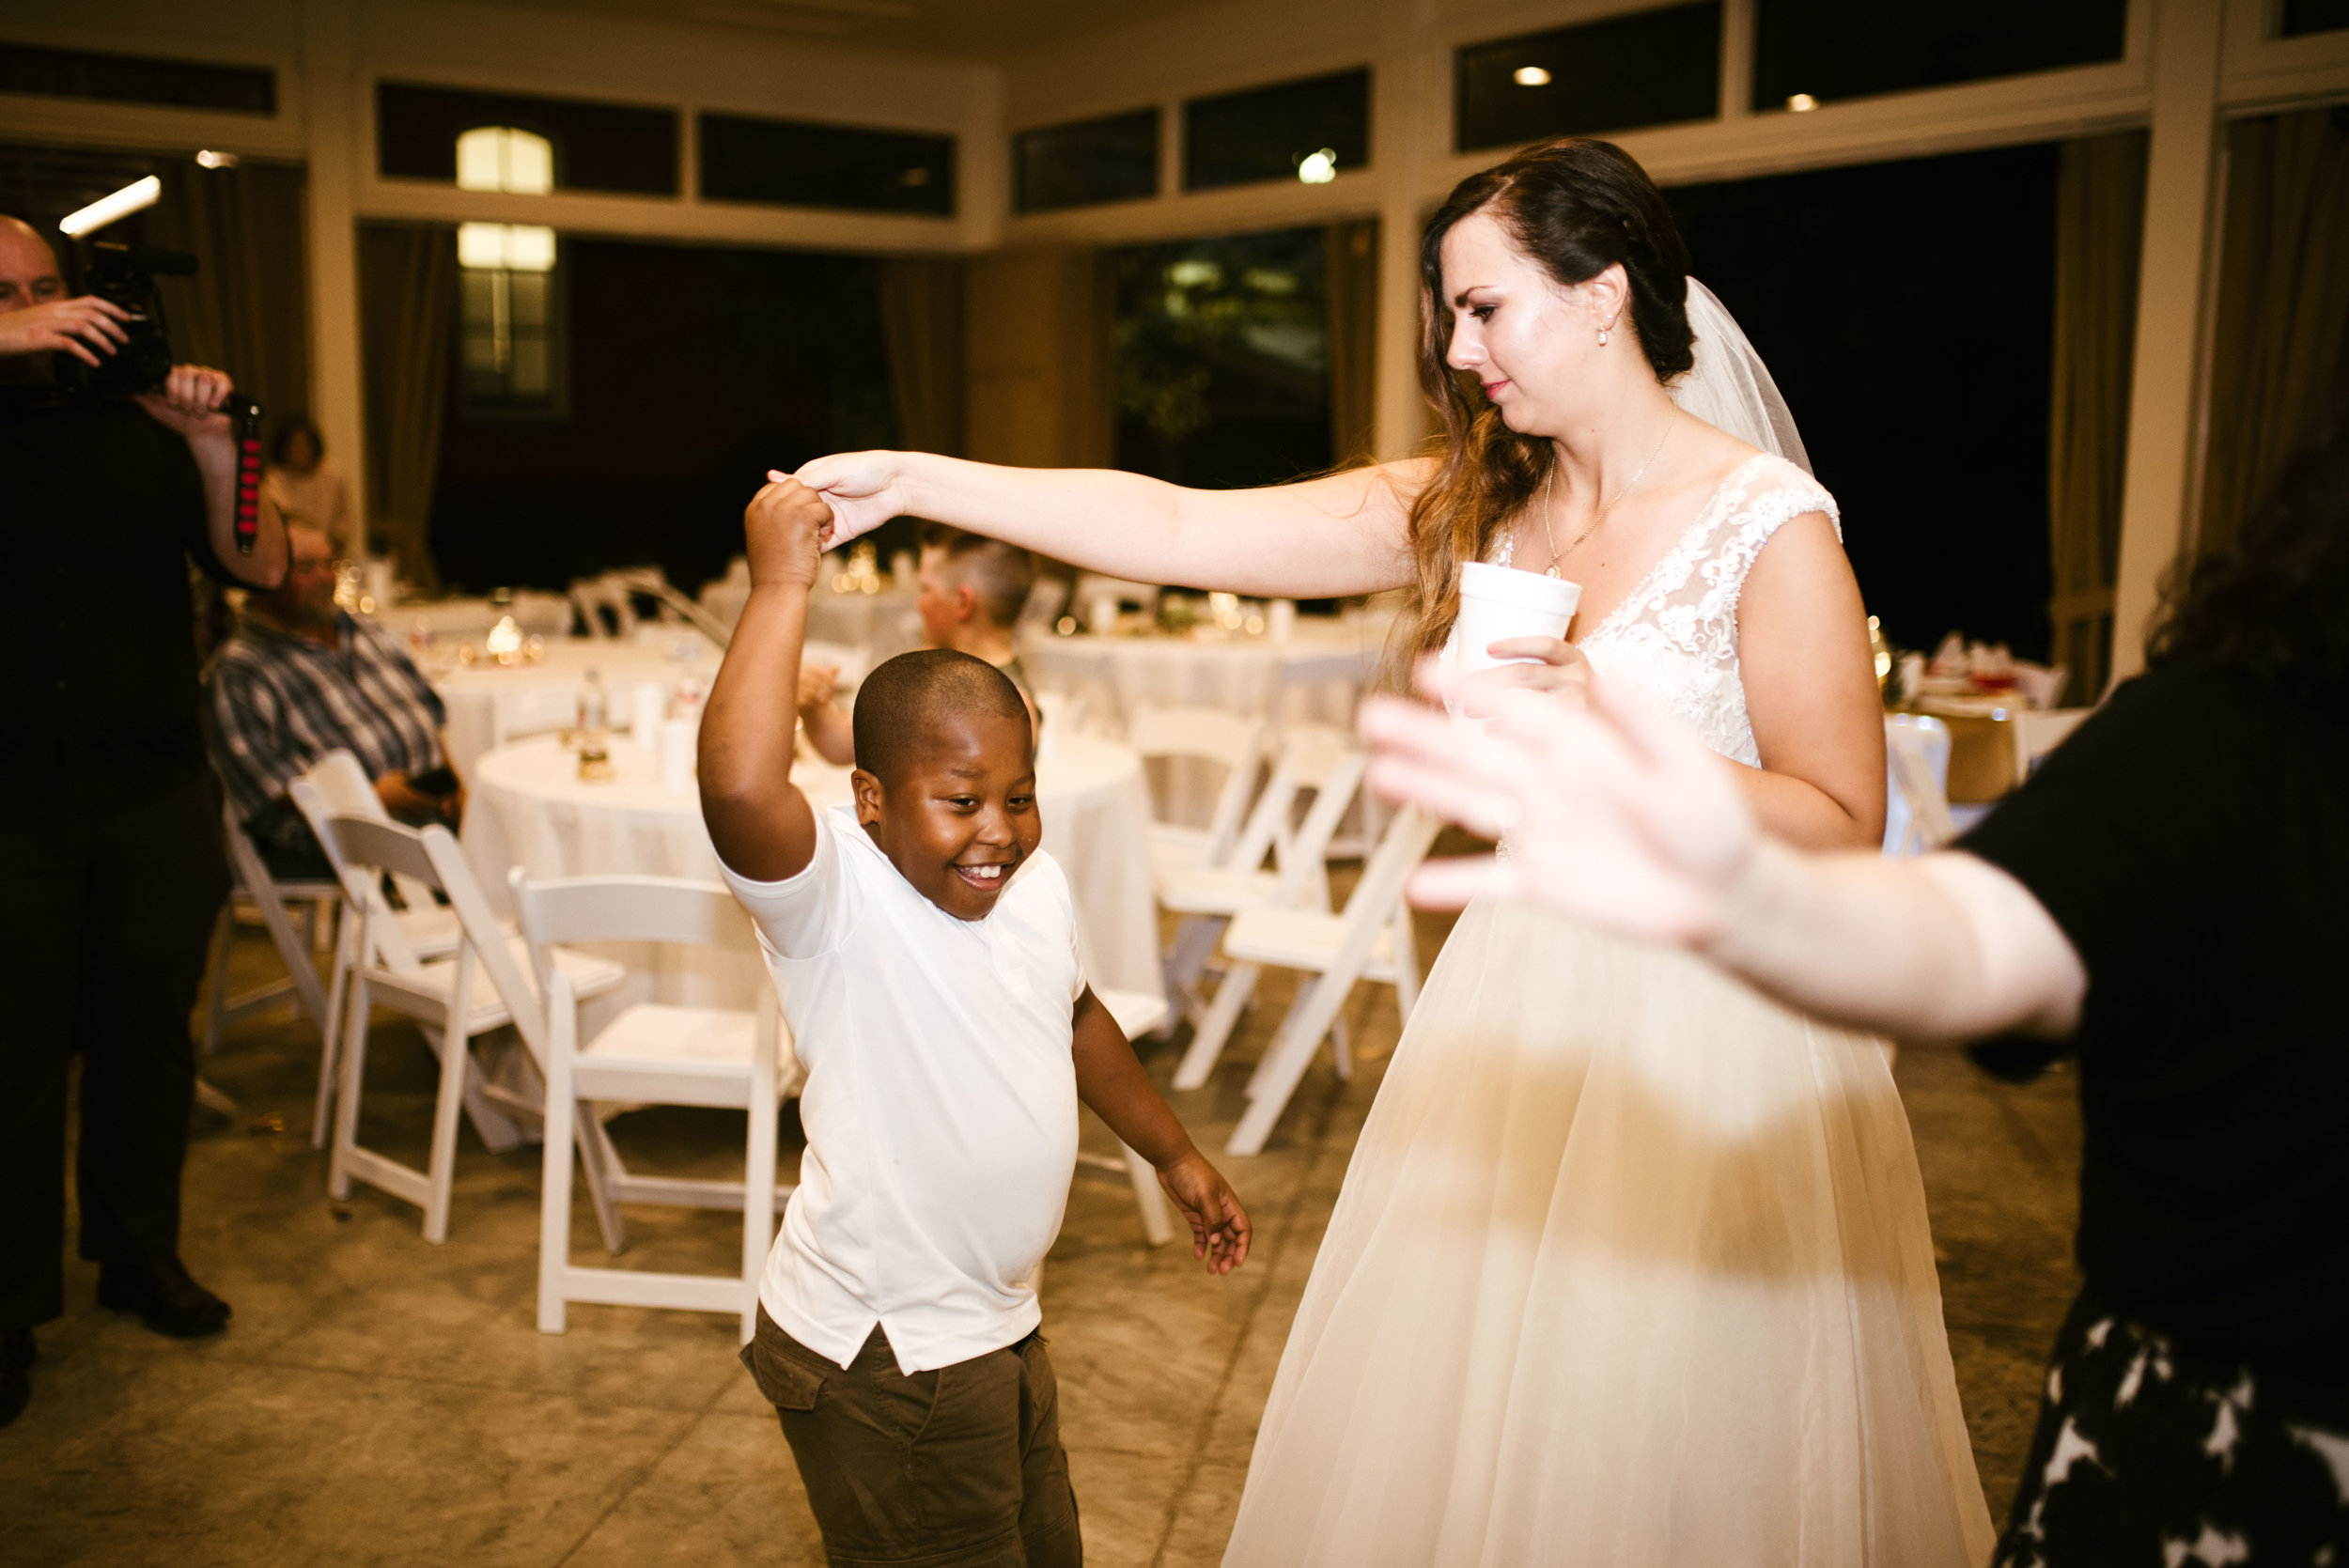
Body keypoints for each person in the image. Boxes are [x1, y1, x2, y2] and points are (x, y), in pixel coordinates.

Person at [790, 135, 1993, 1565]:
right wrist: (927, 477)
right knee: (1485, 1425)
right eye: (1450, 311)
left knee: (1664, 1428)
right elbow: (1183, 525)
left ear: (1604, 293)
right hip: (1520, 994)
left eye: (1484, 307)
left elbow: (1842, 818)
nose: (1458, 346)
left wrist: (1621, 730)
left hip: (1711, 1032)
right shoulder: (1483, 502)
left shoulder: (1767, 530)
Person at [1356, 423, 2349, 1567]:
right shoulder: (2229, 741)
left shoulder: (1771, 518)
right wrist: (1740, 898)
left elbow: (1848, 809)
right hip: (2228, 1445)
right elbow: (1974, 936)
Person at [698, 475, 1252, 1568]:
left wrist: (1173, 1151)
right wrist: (779, 583)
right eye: (960, 800)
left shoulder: (1028, 884)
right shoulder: (836, 900)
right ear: (869, 798)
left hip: (993, 1322)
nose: (997, 829)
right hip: (884, 1350)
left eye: (1020, 792)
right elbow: (737, 788)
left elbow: (1077, 1013)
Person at [0, 213, 289, 1428]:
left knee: (148, 1035)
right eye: (8, 294)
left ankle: (139, 1255)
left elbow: (259, 564)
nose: (40, 308)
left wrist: (218, 447)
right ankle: (8, 1307)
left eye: (45, 286)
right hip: (10, 802)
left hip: (155, 784)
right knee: (12, 1062)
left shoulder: (134, 425)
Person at [203, 517, 461, 880]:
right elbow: (276, 787)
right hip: (331, 839)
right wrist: (371, 797)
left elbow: (430, 715)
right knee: (503, 859)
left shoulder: (362, 629)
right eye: (307, 567)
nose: (326, 577)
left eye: (331, 564)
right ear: (262, 578)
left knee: (513, 825)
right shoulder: (239, 672)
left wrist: (456, 782)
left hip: (424, 815)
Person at [798, 522, 1038, 767]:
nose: (918, 602)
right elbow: (846, 746)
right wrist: (813, 705)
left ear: (963, 603)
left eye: (926, 588)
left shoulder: (1010, 706)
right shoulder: (928, 669)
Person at [260, 416, 351, 558]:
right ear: (283, 449)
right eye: (293, 445)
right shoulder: (274, 478)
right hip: (291, 555)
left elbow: (342, 525)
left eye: (304, 443)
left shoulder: (332, 474)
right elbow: (282, 520)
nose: (299, 450)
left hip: (327, 553)